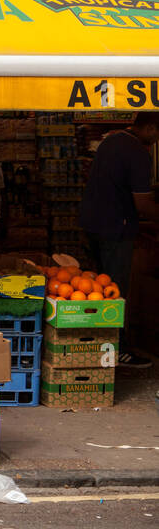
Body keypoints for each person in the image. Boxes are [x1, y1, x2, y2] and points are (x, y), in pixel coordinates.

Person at [79, 113, 159, 369]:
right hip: (115, 228)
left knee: (98, 289)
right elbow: (143, 204)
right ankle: (118, 349)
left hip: (93, 224)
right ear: (148, 128)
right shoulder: (137, 152)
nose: (157, 139)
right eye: (157, 133)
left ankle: (96, 342)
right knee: (116, 291)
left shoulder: (111, 141)